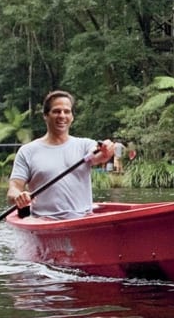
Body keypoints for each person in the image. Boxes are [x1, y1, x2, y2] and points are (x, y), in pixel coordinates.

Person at [8, 90, 119, 221]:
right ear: (45, 115)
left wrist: (107, 150)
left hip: (83, 219)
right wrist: (19, 197)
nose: (62, 116)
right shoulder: (27, 151)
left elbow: (101, 156)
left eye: (67, 111)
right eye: (56, 111)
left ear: (72, 117)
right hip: (44, 222)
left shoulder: (85, 145)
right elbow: (13, 189)